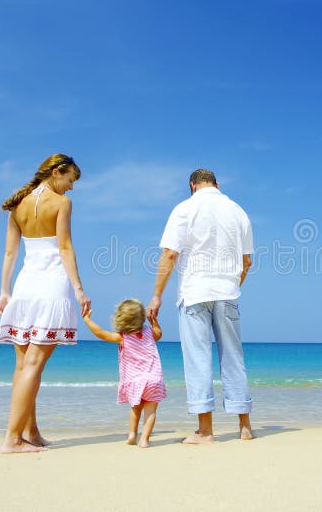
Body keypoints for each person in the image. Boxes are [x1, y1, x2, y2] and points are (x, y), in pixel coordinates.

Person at [147, 169, 254, 444]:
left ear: (192, 186)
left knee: (198, 358)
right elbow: (247, 262)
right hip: (228, 292)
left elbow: (170, 254)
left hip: (194, 293)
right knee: (233, 357)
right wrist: (233, 284)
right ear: (217, 185)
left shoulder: (184, 208)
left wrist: (157, 295)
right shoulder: (238, 211)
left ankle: (205, 431)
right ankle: (245, 427)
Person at [0, 153, 91, 453]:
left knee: (24, 365)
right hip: (51, 285)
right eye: (70, 180)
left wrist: (4, 290)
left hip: (24, 287)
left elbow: (10, 254)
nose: (71, 187)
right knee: (34, 365)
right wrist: (79, 289)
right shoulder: (62, 204)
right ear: (57, 172)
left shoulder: (18, 204)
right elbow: (64, 247)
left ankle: (30, 432)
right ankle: (12, 439)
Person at [83, 299, 166, 448]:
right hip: (154, 379)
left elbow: (101, 334)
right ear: (141, 318)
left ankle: (132, 435)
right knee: (150, 412)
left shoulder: (122, 338)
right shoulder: (149, 333)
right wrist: (154, 321)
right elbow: (159, 334)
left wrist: (87, 319)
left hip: (134, 381)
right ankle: (145, 440)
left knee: (135, 409)